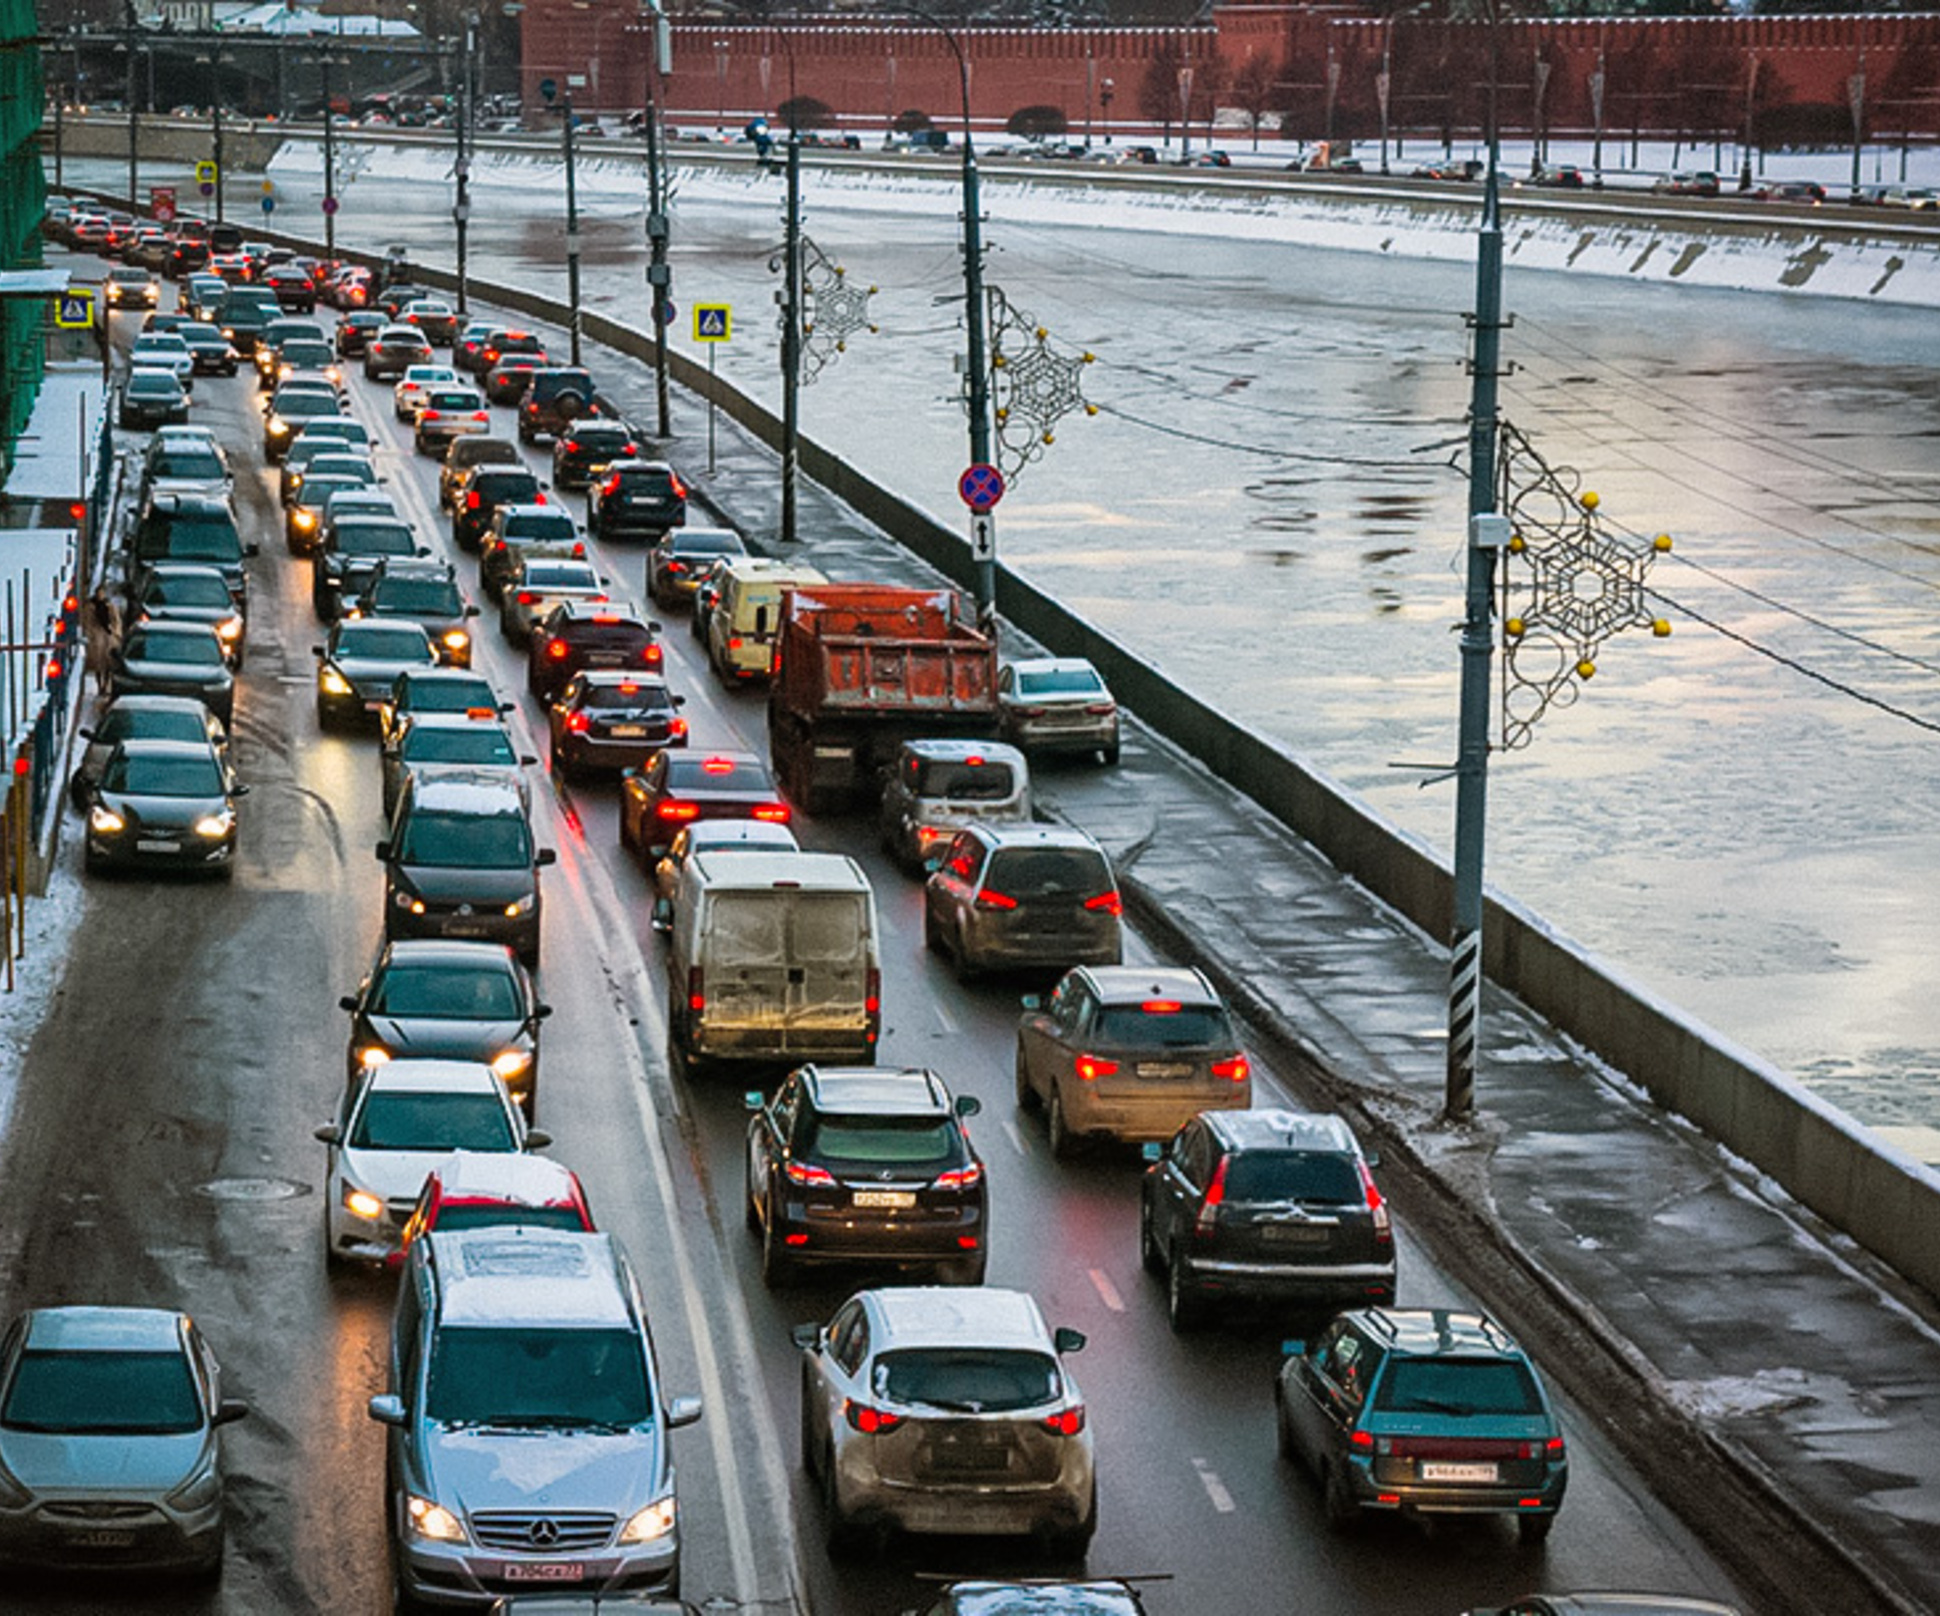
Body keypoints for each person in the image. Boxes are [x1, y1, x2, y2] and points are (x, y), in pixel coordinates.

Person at [83, 585, 120, 694]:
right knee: (98, 663)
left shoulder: (109, 606)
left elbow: (116, 620)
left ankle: (106, 684)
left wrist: (114, 631)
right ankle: (100, 685)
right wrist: (91, 634)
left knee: (109, 662)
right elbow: (88, 622)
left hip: (108, 637)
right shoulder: (91, 607)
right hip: (97, 638)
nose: (100, 595)